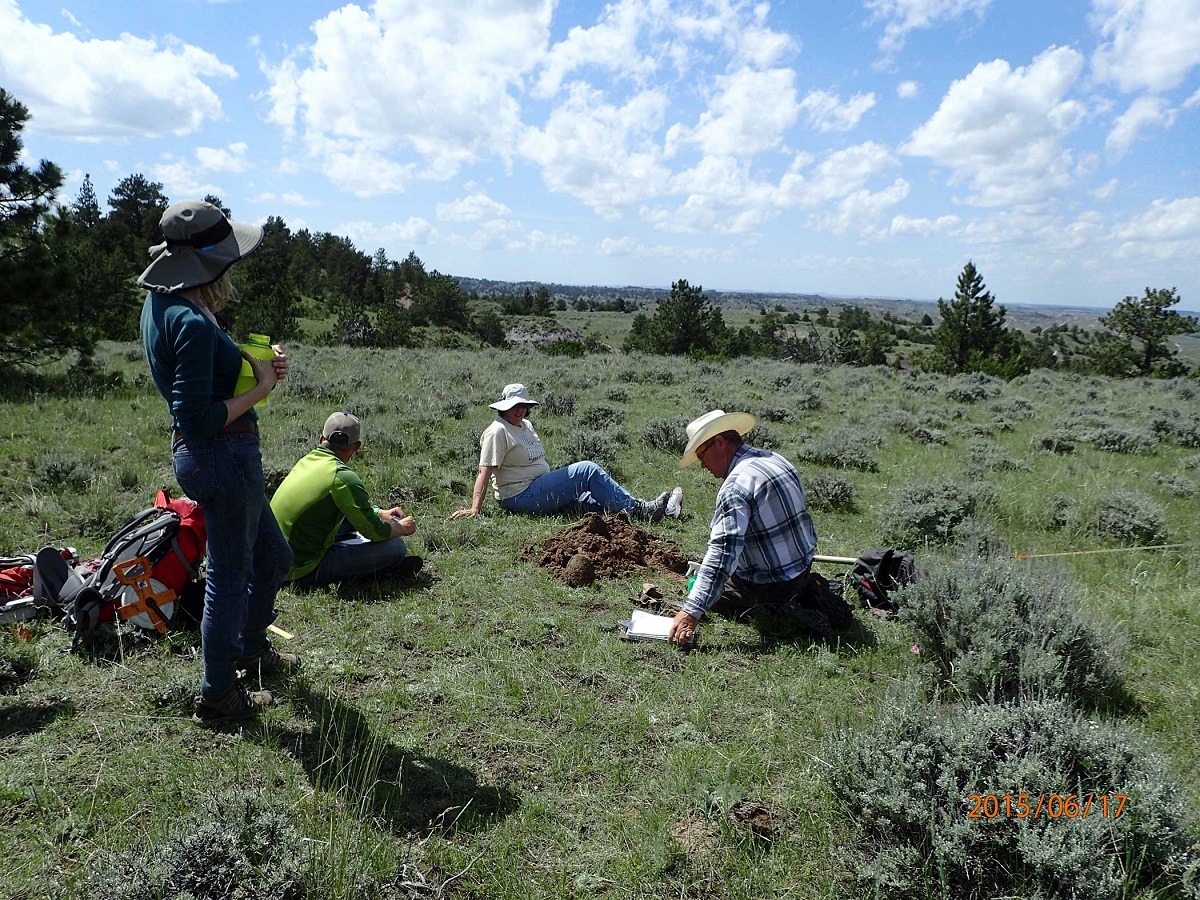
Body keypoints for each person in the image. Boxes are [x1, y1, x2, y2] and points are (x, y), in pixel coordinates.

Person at [139, 199, 298, 726]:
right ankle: (218, 696)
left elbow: (202, 382)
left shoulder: (165, 304)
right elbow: (199, 416)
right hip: (221, 454)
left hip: (218, 457)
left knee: (273, 558)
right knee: (229, 578)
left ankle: (250, 652)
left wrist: (251, 365)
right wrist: (265, 387)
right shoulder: (193, 321)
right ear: (213, 262)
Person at [667, 409, 824, 647]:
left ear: (719, 442)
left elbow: (723, 554)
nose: (702, 465)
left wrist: (691, 612)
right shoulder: (774, 458)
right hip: (802, 567)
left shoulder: (735, 488)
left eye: (702, 455)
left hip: (774, 585)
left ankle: (780, 610)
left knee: (707, 589)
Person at [450, 383, 683, 521]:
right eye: (515, 406)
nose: (520, 410)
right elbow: (484, 471)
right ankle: (642, 510)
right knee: (586, 471)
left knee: (592, 502)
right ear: (504, 407)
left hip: (539, 488)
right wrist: (474, 508)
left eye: (524, 406)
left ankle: (660, 511)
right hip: (519, 496)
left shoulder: (525, 426)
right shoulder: (497, 431)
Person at [271, 411, 422, 587]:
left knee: (348, 519)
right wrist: (401, 528)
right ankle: (382, 572)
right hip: (298, 570)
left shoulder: (306, 461)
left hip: (272, 561)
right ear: (357, 446)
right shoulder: (343, 477)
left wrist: (379, 513)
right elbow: (374, 532)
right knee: (396, 548)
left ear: (321, 440)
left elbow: (349, 507)